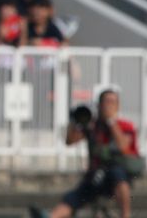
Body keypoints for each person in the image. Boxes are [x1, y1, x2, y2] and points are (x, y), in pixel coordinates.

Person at [48, 89, 138, 218]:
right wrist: (75, 121)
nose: (108, 106)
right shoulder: (93, 125)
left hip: (116, 174)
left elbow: (123, 146)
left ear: (118, 106)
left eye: (112, 102)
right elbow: (70, 141)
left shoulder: (125, 125)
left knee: (120, 179)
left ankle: (126, 215)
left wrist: (111, 121)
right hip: (95, 175)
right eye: (106, 102)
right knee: (71, 199)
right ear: (99, 105)